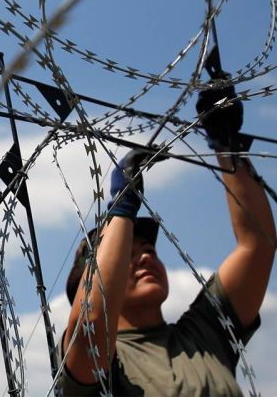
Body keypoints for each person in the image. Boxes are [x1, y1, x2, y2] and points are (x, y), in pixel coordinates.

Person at [59, 81, 276, 396]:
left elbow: (258, 244)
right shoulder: (106, 365)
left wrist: (227, 147)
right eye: (127, 258)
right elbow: (92, 319)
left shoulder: (206, 335)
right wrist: (122, 208)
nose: (146, 257)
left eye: (148, 250)